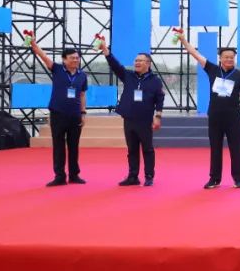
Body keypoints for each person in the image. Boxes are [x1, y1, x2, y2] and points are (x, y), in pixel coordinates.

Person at [178, 36, 240, 189]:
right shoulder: (213, 69)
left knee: (236, 148)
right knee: (215, 148)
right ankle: (214, 179)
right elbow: (195, 54)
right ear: (220, 58)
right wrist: (183, 40)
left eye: (231, 57)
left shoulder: (239, 75)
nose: (229, 59)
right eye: (226, 57)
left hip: (233, 117)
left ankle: (238, 179)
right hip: (215, 117)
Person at [100, 41, 165, 186]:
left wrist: (158, 117)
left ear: (148, 63)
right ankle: (133, 176)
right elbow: (115, 65)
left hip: (145, 120)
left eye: (140, 61)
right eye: (136, 60)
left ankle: (149, 176)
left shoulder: (155, 81)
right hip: (129, 118)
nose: (137, 63)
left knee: (147, 149)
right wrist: (105, 50)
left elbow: (160, 100)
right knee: (132, 149)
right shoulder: (128, 76)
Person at [29, 39, 88, 186]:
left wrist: (83, 113)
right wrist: (34, 45)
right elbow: (44, 57)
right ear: (64, 59)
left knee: (74, 146)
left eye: (77, 58)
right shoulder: (57, 69)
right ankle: (59, 176)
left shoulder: (82, 75)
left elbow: (82, 94)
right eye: (72, 58)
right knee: (58, 145)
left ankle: (74, 175)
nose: (75, 60)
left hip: (75, 115)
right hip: (58, 113)